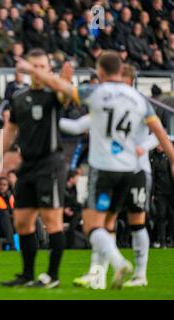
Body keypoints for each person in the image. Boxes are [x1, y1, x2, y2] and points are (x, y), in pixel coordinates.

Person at [16, 50, 174, 289]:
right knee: (119, 223)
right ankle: (104, 274)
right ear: (122, 71)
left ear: (99, 71)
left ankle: (118, 262)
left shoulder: (97, 93)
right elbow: (161, 132)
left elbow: (63, 90)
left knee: (93, 226)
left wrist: (32, 72)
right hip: (132, 171)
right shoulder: (140, 100)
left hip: (104, 170)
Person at [60, 64, 158, 287]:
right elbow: (78, 126)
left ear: (130, 81)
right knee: (104, 225)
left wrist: (144, 146)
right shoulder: (105, 105)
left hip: (137, 170)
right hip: (110, 169)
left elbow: (157, 134)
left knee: (135, 223)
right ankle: (98, 274)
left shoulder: (138, 103)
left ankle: (140, 275)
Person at [0, 49, 68, 289]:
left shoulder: (56, 93)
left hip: (50, 163)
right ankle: (27, 274)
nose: (37, 71)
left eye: (41, 66)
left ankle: (52, 276)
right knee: (22, 222)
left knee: (52, 221)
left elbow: (67, 92)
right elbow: (10, 130)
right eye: (33, 66)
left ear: (49, 69)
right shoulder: (19, 97)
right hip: (26, 165)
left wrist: (50, 75)